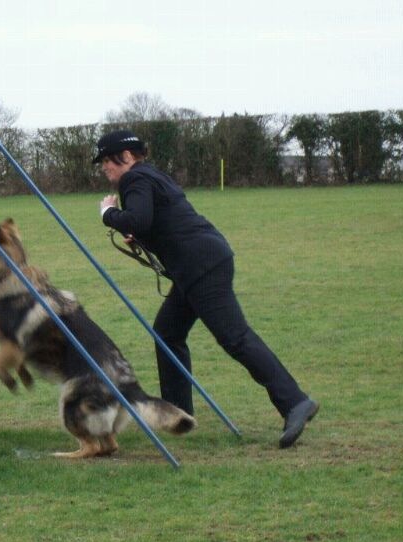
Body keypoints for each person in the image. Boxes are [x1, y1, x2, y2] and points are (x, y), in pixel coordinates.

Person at [94, 130, 318, 448]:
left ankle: (295, 402)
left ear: (127, 157)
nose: (105, 167)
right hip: (198, 263)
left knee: (235, 337)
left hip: (201, 266)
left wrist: (109, 214)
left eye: (107, 160)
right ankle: (178, 413)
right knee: (167, 333)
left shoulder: (135, 180)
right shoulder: (150, 175)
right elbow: (155, 221)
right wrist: (137, 231)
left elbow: (138, 220)